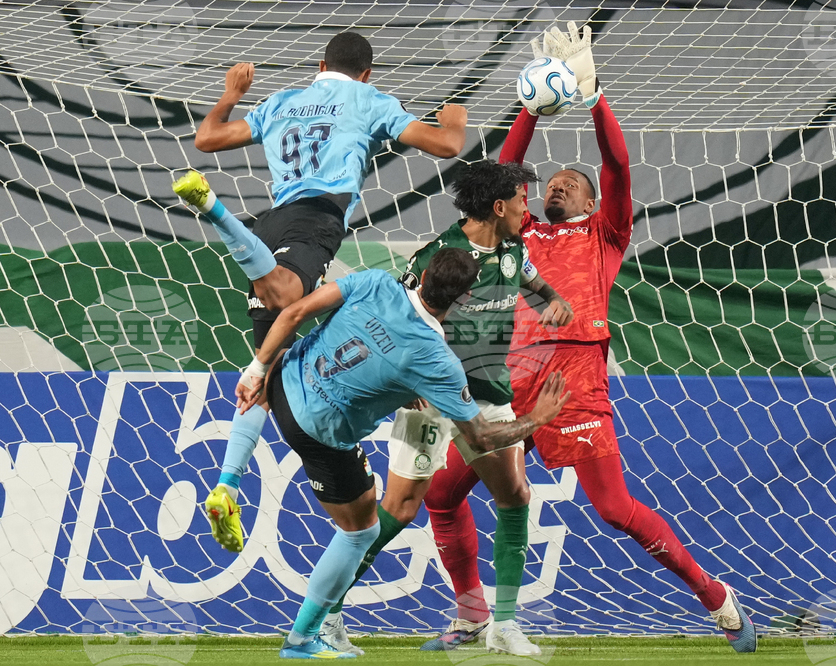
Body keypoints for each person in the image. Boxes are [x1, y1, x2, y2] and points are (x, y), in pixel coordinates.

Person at [419, 22, 757, 653]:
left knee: (613, 508)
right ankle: (472, 615)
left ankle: (716, 597)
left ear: (592, 201)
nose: (556, 186)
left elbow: (617, 165)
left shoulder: (606, 232)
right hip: (508, 375)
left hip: (572, 376)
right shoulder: (521, 232)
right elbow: (503, 174)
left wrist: (594, 95)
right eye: (549, 183)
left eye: (569, 184)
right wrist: (529, 107)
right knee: (440, 494)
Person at [171, 31, 468, 558]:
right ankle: (214, 209)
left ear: (320, 64)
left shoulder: (282, 101)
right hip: (316, 220)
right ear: (366, 73)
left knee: (264, 368)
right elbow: (447, 146)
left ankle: (227, 485)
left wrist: (231, 93)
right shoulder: (369, 99)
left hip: (269, 227)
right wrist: (456, 118)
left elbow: (207, 138)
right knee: (286, 294)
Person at [234, 247, 570, 659]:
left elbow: (294, 313)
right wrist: (537, 418)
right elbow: (482, 437)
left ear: (423, 275)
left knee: (283, 358)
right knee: (361, 532)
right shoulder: (436, 360)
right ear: (465, 297)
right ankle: (304, 637)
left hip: (282, 385)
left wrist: (256, 369)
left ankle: (228, 481)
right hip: (318, 433)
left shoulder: (376, 282)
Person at [318, 159, 573, 657]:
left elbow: (536, 285)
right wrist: (407, 381)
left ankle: (503, 626)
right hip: (431, 397)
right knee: (398, 509)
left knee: (515, 495)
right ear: (498, 207)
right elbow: (394, 318)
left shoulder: (513, 250)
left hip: (489, 394)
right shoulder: (439, 257)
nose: (528, 209)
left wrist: (554, 302)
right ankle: (327, 614)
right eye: (521, 201)